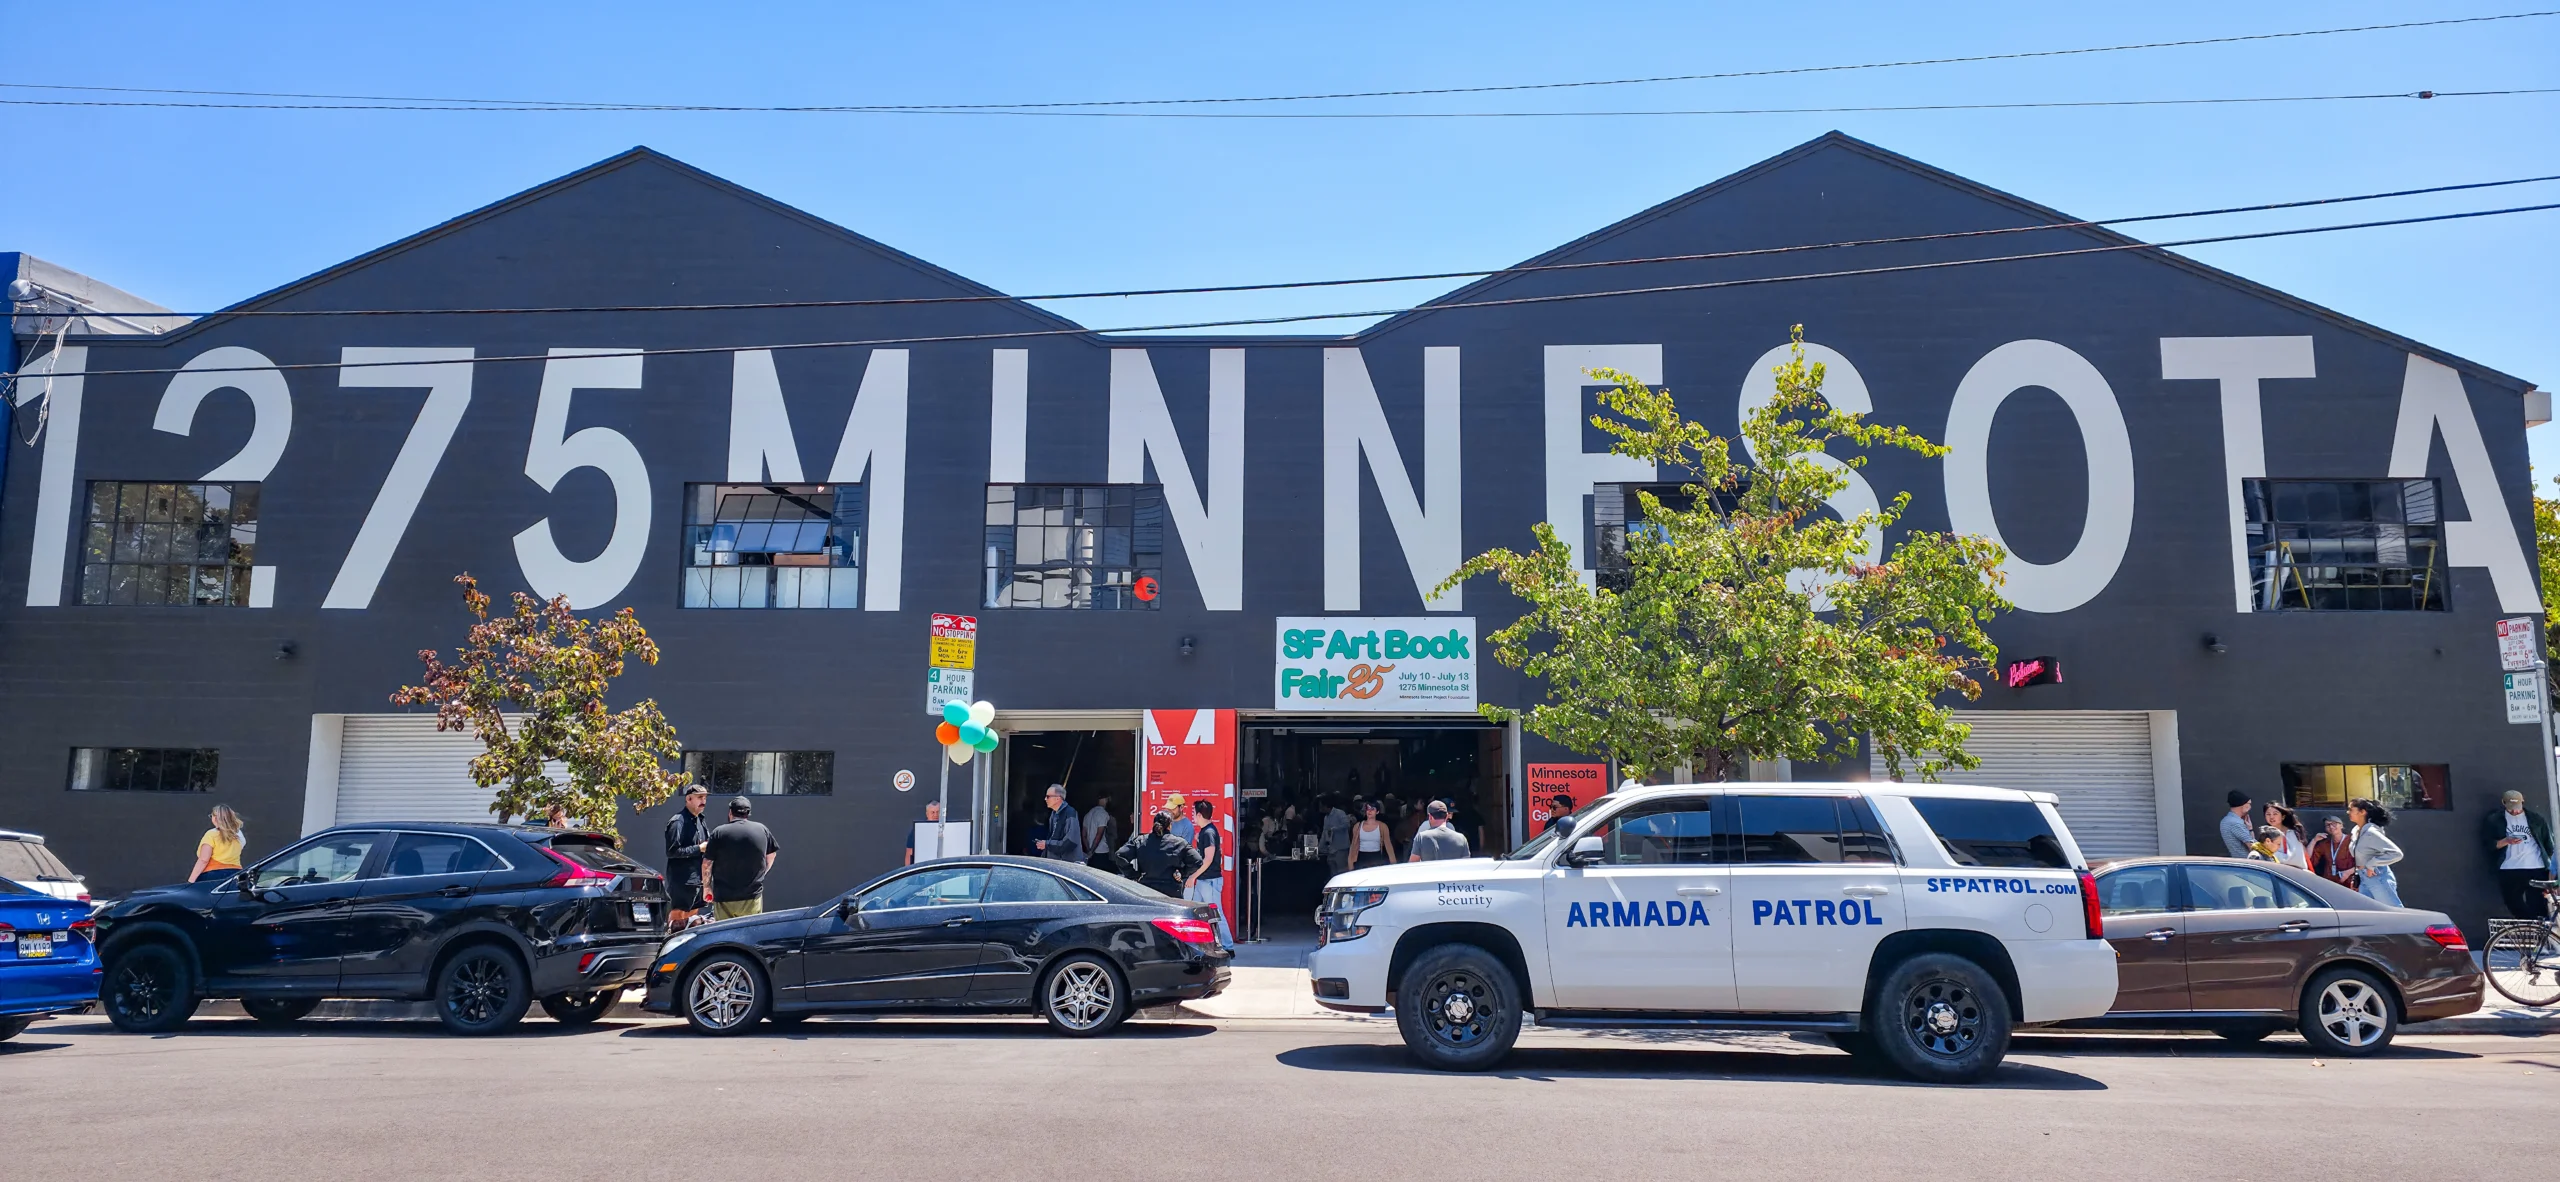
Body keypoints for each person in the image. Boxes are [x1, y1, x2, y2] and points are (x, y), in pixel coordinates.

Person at [702, 797, 780, 920]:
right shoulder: (761, 829)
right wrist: (762, 873)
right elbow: (771, 854)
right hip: (752, 896)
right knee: (749, 933)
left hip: (724, 897)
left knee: (724, 935)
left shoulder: (719, 832)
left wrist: (707, 887)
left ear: (730, 812)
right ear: (748, 813)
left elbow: (707, 863)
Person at [2484, 789, 2555, 919]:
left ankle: (2538, 933)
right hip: (2509, 867)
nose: (2515, 811)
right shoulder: (2495, 820)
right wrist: (2506, 841)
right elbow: (2488, 844)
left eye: (2518, 807)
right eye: (2511, 808)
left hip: (2535, 867)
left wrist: (2549, 866)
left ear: (2523, 801)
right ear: (2503, 803)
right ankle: (2529, 926)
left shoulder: (2536, 819)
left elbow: (2549, 844)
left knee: (2538, 904)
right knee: (2512, 903)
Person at [1182, 799, 1233, 946]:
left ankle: (1228, 946)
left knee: (1216, 914)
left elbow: (1208, 859)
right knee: (1198, 913)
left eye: (1193, 812)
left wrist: (1193, 876)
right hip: (1205, 880)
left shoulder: (1208, 833)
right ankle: (1200, 942)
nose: (1192, 816)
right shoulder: (1206, 832)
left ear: (1198, 814)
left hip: (1209, 880)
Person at [1117, 810, 1202, 897]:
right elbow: (1197, 861)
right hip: (1171, 891)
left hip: (1146, 891)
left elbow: (1120, 855)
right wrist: (1182, 874)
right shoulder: (1179, 843)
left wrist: (1134, 875)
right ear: (1169, 826)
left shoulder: (1141, 841)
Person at [663, 784, 711, 927]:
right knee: (678, 917)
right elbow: (672, 851)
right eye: (699, 797)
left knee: (692, 920)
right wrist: (698, 848)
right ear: (689, 799)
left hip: (699, 878)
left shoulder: (700, 819)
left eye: (705, 797)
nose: (703, 801)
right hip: (682, 880)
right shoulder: (678, 821)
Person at [2348, 798, 2404, 907]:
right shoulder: (2356, 832)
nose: (2348, 812)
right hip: (2364, 878)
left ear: (2362, 812)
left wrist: (2371, 864)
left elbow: (2396, 853)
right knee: (2369, 914)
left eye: (2351, 809)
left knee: (2394, 911)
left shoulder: (2371, 832)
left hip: (2377, 877)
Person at [189, 805, 246, 883]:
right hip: (236, 873)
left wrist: (191, 880)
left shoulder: (211, 834)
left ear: (215, 818)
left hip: (212, 874)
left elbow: (203, 860)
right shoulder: (239, 835)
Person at [1036, 784, 1085, 864]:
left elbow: (1070, 842)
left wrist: (1047, 844)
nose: (1045, 799)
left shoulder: (1070, 813)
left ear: (1057, 799)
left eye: (1048, 796)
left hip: (1067, 865)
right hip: (1057, 863)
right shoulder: (1053, 814)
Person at [2307, 814, 2358, 888]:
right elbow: (2308, 859)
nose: (2331, 827)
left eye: (2334, 824)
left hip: (2350, 883)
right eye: (2328, 825)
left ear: (2341, 826)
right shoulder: (2325, 844)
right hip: (2330, 883)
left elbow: (2363, 863)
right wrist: (2314, 840)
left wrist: (2348, 872)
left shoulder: (2352, 840)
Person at [1348, 800, 1395, 871]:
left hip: (1376, 858)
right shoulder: (1358, 826)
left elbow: (1388, 846)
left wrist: (1393, 864)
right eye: (1368, 809)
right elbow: (1353, 846)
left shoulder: (1382, 826)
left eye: (1372, 809)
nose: (1369, 811)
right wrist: (1350, 864)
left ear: (1377, 812)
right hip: (1361, 858)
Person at [2262, 802, 2309, 869]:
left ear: (2283, 816)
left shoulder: (2292, 833)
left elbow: (2295, 859)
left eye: (2275, 814)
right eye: (2268, 814)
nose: (2271, 817)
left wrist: (2269, 854)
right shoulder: (2266, 834)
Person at [903, 800, 943, 866]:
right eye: (932, 812)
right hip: (923, 868)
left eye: (938, 812)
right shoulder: (918, 830)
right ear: (927, 814)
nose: (935, 815)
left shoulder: (948, 829)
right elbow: (909, 853)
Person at [2219, 791, 2254, 858]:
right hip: (2247, 863)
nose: (2250, 807)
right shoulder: (2235, 823)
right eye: (2249, 804)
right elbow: (2253, 846)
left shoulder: (2226, 820)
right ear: (2243, 805)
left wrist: (2250, 829)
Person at [1321, 798, 1352, 867]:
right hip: (1331, 848)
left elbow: (1346, 824)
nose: (1321, 809)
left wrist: (1334, 829)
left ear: (1326, 806)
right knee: (1333, 871)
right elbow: (1324, 832)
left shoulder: (1340, 813)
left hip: (1341, 848)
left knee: (1341, 870)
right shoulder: (1326, 818)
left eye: (1321, 806)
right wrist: (1320, 847)